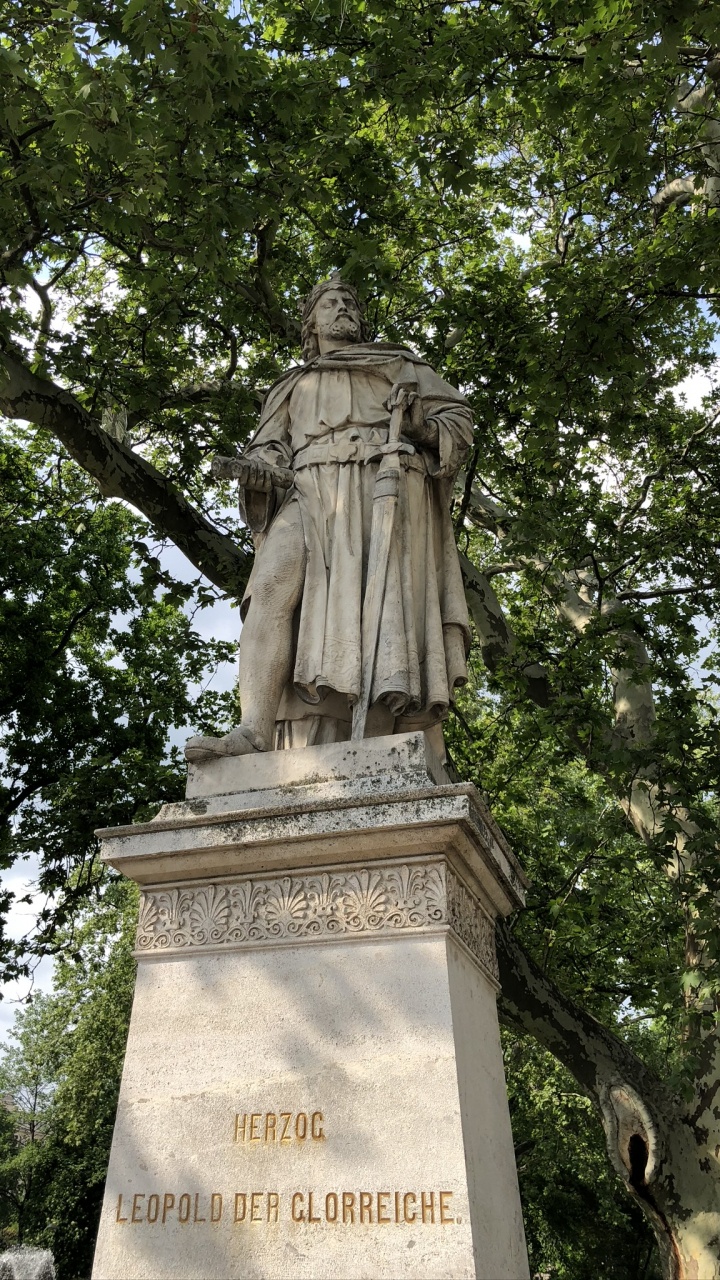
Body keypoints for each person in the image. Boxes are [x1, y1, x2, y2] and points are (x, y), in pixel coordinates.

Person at [185, 277, 473, 762]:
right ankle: (253, 729)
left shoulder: (398, 365)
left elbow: (458, 423)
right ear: (311, 323)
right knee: (269, 589)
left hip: (381, 491)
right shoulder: (290, 387)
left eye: (349, 302)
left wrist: (419, 424)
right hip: (307, 492)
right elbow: (269, 450)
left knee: (381, 616)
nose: (341, 309)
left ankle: (381, 725)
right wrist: (259, 473)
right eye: (330, 303)